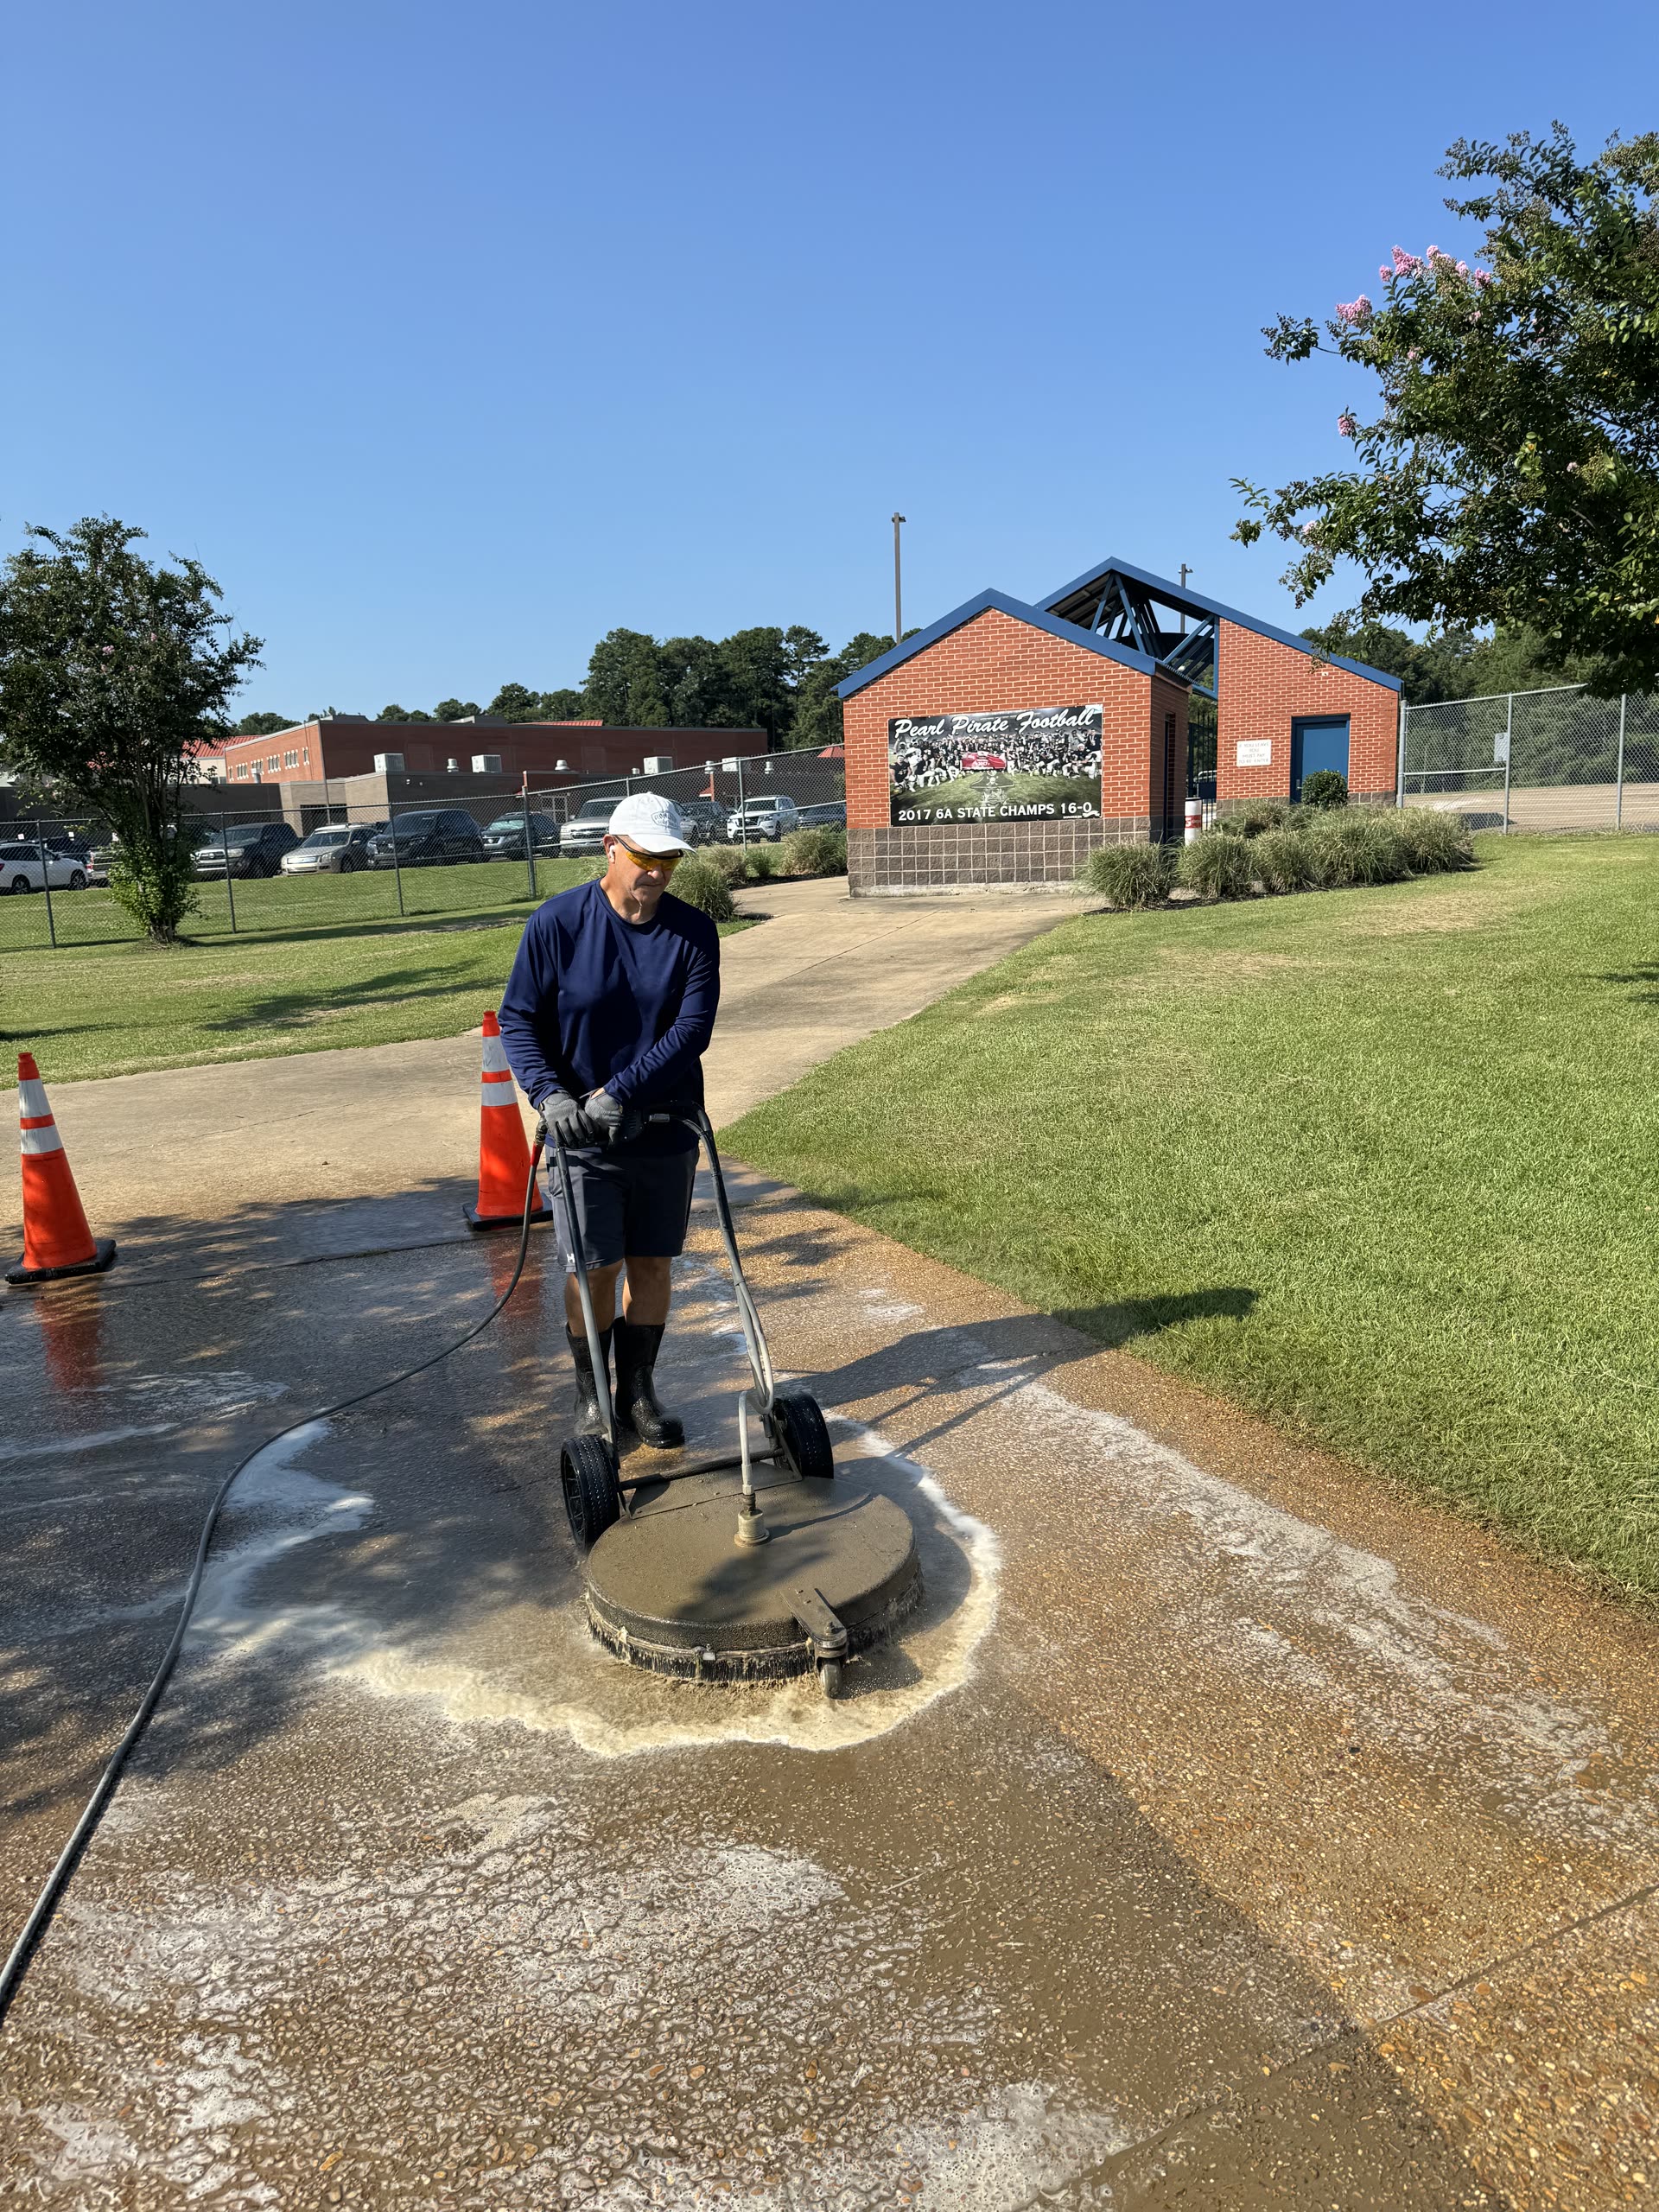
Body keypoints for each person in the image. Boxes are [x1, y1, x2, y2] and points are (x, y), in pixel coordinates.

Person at [498, 792, 720, 1447]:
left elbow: (690, 1030)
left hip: (663, 1124)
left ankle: (640, 1392)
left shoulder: (692, 932)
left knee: (651, 1264)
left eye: (669, 860)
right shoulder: (557, 924)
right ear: (611, 849)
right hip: (581, 1138)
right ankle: (592, 1396)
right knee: (594, 1267)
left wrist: (620, 1092)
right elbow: (519, 1019)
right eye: (645, 858)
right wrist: (552, 1097)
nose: (656, 873)